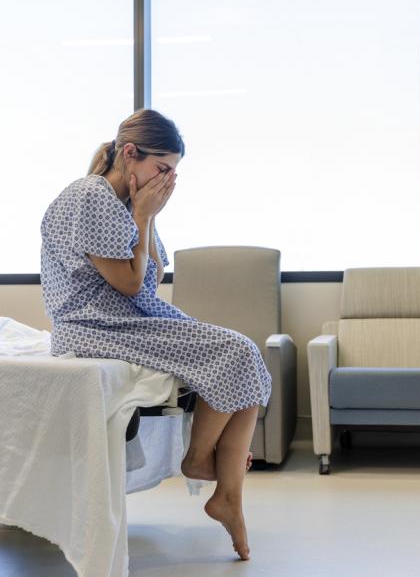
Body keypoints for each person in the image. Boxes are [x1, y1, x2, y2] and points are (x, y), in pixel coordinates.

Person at [40, 108, 272, 561]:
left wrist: (145, 214)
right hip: (92, 324)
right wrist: (143, 217)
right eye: (162, 168)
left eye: (173, 172)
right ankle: (203, 463)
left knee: (246, 358)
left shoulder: (128, 200)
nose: (168, 179)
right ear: (130, 153)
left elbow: (150, 276)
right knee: (237, 350)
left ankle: (226, 493)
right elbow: (129, 283)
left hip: (130, 315)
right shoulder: (90, 197)